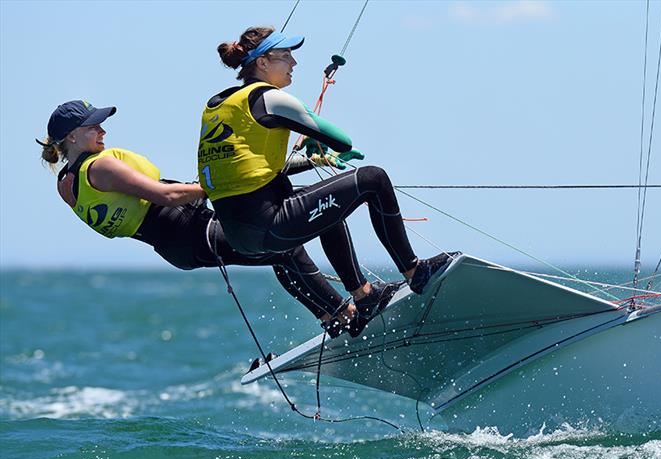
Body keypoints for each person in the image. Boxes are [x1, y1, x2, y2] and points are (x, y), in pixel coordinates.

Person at [200, 26, 459, 335]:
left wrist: (310, 156)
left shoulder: (218, 105)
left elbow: (248, 167)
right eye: (285, 56)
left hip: (241, 236)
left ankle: (363, 297)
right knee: (373, 179)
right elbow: (341, 140)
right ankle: (415, 271)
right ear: (263, 62)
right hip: (271, 227)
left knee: (325, 204)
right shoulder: (269, 98)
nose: (294, 63)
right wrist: (320, 143)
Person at [38, 100, 356, 333]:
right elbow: (167, 196)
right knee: (282, 244)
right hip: (191, 231)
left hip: (180, 244)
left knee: (279, 251)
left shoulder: (66, 183)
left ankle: (331, 317)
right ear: (71, 137)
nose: (102, 129)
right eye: (92, 126)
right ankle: (345, 312)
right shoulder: (101, 166)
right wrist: (216, 184)